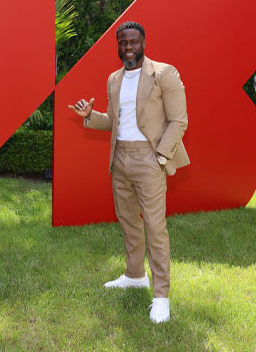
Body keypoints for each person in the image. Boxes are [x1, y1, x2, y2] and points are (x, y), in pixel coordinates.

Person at [68, 21, 189, 323]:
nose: (128, 47)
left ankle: (161, 295)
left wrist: (160, 157)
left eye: (133, 41)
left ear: (143, 42)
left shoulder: (164, 73)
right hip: (119, 158)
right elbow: (113, 120)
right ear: (118, 46)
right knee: (128, 223)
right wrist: (89, 117)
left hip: (150, 159)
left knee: (154, 227)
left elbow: (179, 121)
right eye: (123, 43)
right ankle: (135, 276)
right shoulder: (113, 79)